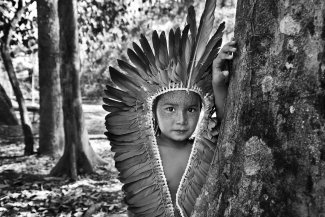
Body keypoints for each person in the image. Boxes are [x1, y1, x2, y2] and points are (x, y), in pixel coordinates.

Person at [103, 1, 237, 216]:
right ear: (152, 111)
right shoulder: (138, 147)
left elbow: (228, 123)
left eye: (192, 110)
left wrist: (218, 83)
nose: (182, 120)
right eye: (170, 109)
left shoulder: (204, 146)